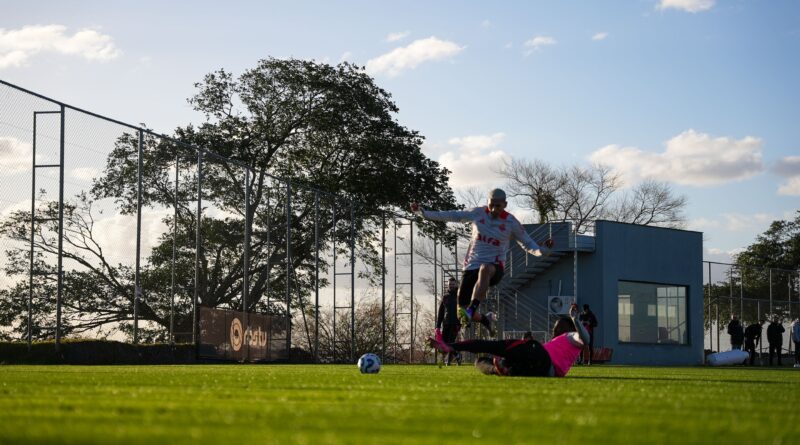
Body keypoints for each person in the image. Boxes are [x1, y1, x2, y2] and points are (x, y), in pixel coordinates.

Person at [411, 188, 553, 334]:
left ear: (505, 204)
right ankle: (485, 319)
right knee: (461, 312)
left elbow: (528, 244)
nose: (493, 209)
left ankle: (473, 308)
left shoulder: (511, 222)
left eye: (498, 206)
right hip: (471, 266)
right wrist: (424, 213)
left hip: (494, 267)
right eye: (491, 205)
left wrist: (543, 250)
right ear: (487, 202)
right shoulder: (478, 213)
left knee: (485, 269)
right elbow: (453, 215)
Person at [427, 303, 589, 377]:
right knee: (481, 361)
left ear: (569, 328)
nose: (555, 330)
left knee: (494, 346)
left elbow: (585, 339)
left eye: (558, 327)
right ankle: (501, 368)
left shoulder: (572, 336)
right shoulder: (554, 343)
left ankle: (450, 347)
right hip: (539, 370)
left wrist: (575, 319)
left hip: (544, 362)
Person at [435, 277, 462, 366]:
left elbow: (464, 309)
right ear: (447, 285)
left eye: (453, 284)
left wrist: (465, 321)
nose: (451, 286)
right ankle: (457, 355)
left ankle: (449, 361)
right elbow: (441, 312)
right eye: (450, 284)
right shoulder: (445, 297)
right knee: (444, 343)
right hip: (446, 323)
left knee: (451, 342)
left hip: (455, 323)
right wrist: (438, 326)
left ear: (456, 285)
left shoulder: (459, 296)